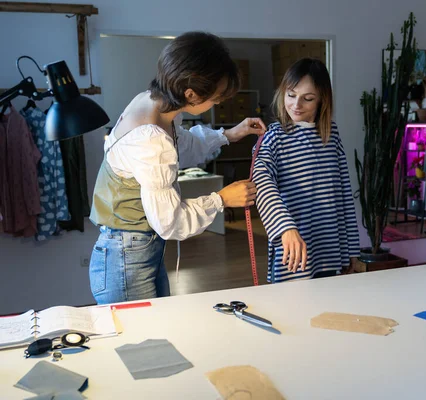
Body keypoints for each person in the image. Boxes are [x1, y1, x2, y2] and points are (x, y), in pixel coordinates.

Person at [88, 32, 266, 304]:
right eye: (216, 97)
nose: (219, 102)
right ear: (191, 94)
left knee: (155, 332)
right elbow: (170, 223)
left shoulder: (151, 101)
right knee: (143, 341)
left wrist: (228, 135)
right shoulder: (150, 138)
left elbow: (180, 144)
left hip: (133, 249)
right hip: (127, 258)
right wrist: (221, 199)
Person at [252, 58, 360, 283]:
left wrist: (352, 250)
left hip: (329, 247)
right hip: (293, 248)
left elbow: (344, 197)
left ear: (322, 100)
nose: (296, 105)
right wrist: (285, 228)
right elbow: (260, 182)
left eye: (308, 98)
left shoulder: (330, 135)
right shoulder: (274, 137)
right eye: (291, 95)